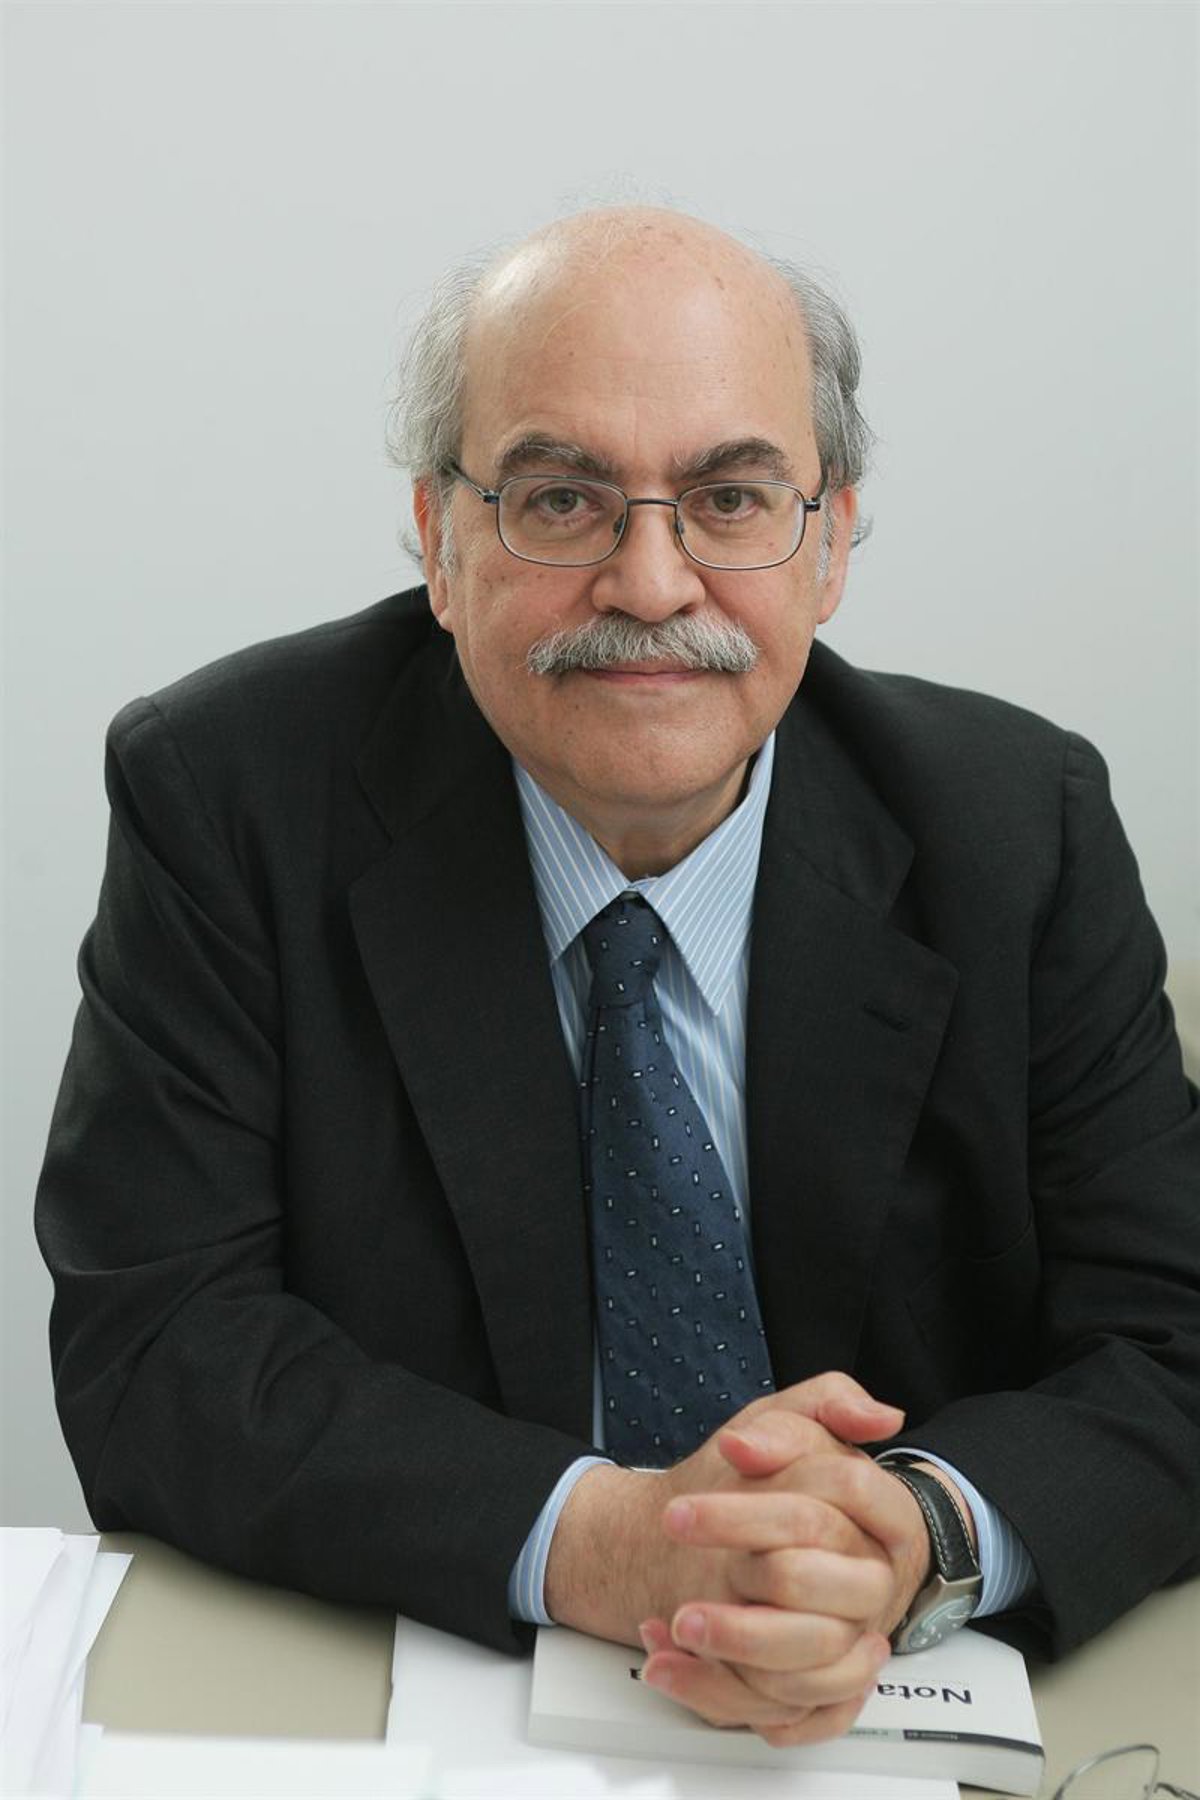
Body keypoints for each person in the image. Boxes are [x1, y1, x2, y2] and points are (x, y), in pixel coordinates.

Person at [36, 207, 1200, 1749]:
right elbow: (158, 1345)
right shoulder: (229, 796)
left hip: (897, 1720)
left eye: (729, 498)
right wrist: (605, 1543)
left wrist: (910, 1535)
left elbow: (1175, 1337)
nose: (651, 584)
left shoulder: (1017, 830)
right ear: (439, 540)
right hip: (412, 1705)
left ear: (829, 543)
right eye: (562, 499)